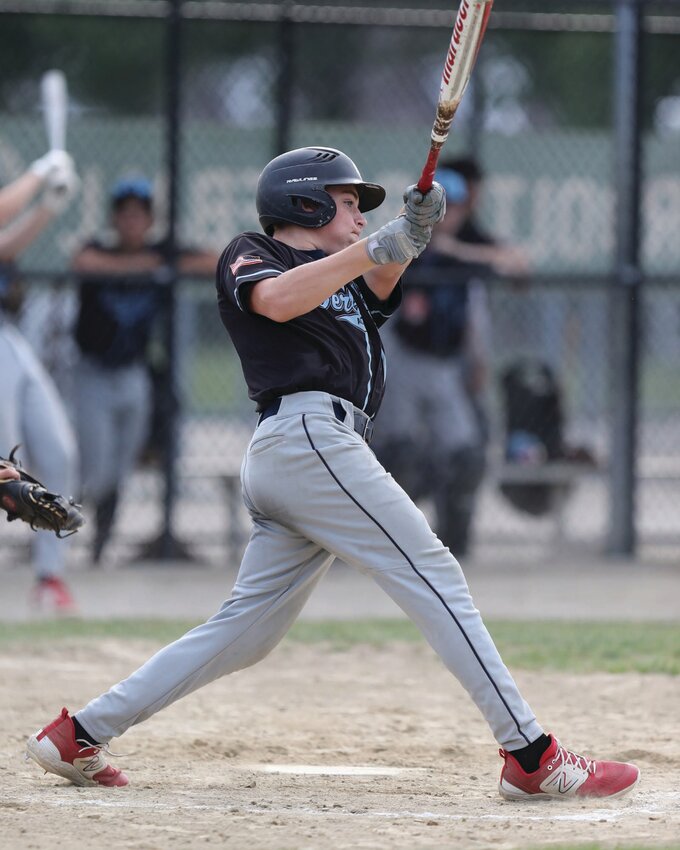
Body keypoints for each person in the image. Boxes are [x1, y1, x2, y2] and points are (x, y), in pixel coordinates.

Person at [26, 146, 639, 801]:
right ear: (305, 203)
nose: (356, 218)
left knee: (246, 633)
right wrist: (380, 243)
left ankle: (79, 732)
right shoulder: (255, 253)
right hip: (306, 438)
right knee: (434, 571)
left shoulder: (338, 274)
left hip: (313, 450)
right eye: (347, 203)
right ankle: (531, 754)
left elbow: (376, 284)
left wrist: (412, 235)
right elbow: (280, 300)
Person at [70, 178, 219, 563]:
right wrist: (152, 266)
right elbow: (83, 262)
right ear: (115, 219)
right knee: (96, 466)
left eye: (140, 215)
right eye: (125, 214)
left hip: (134, 374)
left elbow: (215, 262)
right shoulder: (98, 248)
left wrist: (165, 262)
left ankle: (99, 546)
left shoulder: (163, 250)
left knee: (121, 468)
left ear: (150, 220)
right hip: (93, 373)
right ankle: (64, 531)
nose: (132, 222)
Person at [0, 150, 80, 611]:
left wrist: (48, 205)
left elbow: (5, 246)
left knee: (55, 451)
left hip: (8, 337)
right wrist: (39, 172)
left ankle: (50, 576)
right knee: (4, 457)